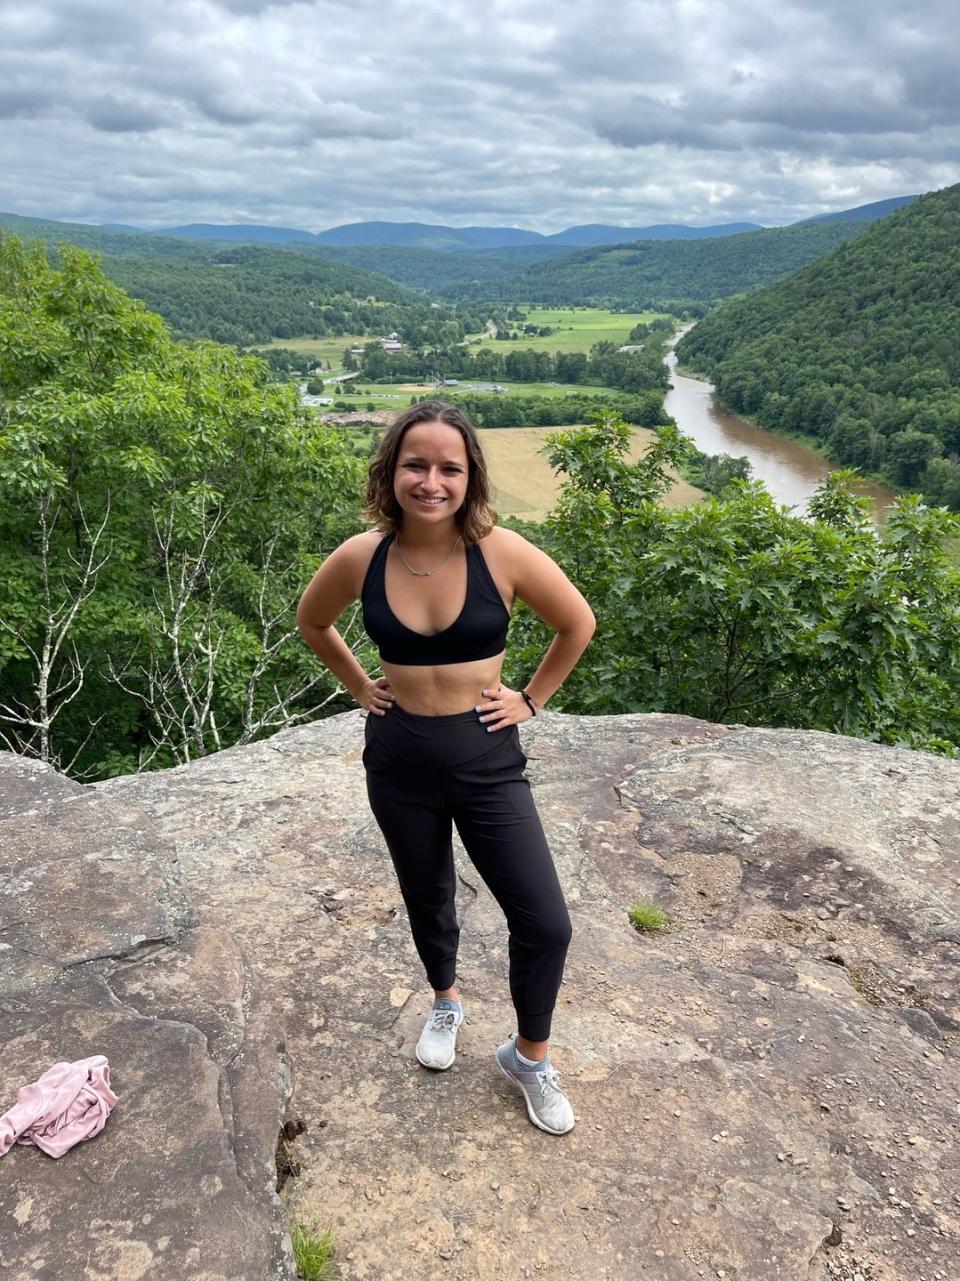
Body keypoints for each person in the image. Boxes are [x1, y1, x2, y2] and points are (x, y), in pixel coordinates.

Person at [296, 401, 595, 1135]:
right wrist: (360, 686)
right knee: (426, 892)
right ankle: (446, 999)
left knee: (544, 920)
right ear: (391, 471)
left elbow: (576, 622)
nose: (431, 480)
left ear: (470, 476)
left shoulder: (503, 552)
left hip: (487, 758)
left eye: (449, 468)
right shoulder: (361, 555)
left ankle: (528, 1056)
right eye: (416, 464)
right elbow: (312, 621)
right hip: (399, 760)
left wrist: (530, 698)